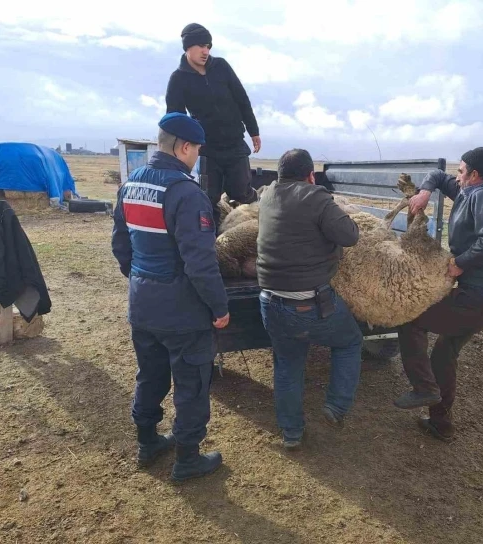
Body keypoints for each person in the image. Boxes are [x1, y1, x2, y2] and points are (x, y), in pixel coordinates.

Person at [111, 112, 230, 482]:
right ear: (183, 147)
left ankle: (147, 442)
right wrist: (219, 306)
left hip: (142, 305)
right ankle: (188, 460)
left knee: (150, 374)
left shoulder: (130, 186)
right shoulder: (186, 193)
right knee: (192, 383)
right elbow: (199, 262)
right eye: (196, 149)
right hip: (182, 313)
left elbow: (121, 245)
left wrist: (141, 280)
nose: (196, 156)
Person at [394, 145, 483, 442]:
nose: (456, 177)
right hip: (482, 298)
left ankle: (423, 388)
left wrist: (460, 263)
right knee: (444, 354)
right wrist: (425, 192)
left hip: (478, 298)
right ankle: (441, 424)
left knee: (411, 317)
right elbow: (435, 174)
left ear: (474, 175)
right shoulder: (468, 192)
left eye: (461, 171)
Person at [256, 149, 363, 450]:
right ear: (310, 176)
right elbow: (351, 236)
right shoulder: (316, 197)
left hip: (269, 302)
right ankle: (336, 406)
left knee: (288, 364)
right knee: (350, 342)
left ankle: (292, 433)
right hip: (308, 303)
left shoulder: (266, 195)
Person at [165, 23, 261, 228]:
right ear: (187, 47)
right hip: (207, 148)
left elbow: (242, 99)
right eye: (201, 46)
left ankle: (262, 214)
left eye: (208, 46)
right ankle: (213, 241)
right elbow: (175, 117)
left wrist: (254, 131)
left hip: (235, 142)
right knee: (209, 197)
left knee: (240, 192)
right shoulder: (178, 79)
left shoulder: (222, 67)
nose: (206, 51)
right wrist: (179, 148)